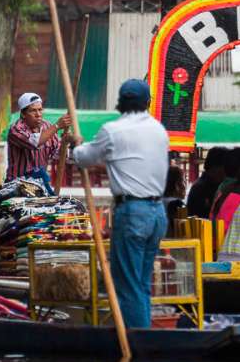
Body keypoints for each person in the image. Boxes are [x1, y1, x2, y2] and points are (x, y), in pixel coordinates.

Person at [72, 79, 168, 328]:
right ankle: (141, 331)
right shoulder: (159, 129)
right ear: (147, 103)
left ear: (120, 104)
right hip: (157, 213)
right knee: (141, 283)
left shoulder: (113, 130)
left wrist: (76, 144)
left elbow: (83, 158)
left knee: (128, 285)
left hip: (133, 212)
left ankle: (136, 340)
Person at [6, 92, 71, 190]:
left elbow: (58, 155)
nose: (38, 114)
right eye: (33, 111)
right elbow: (35, 143)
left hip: (40, 186)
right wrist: (57, 126)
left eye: (40, 110)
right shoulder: (16, 129)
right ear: (23, 114)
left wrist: (66, 143)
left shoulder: (48, 127)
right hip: (17, 186)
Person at [185, 147, 227, 218]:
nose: (225, 174)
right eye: (224, 168)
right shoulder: (200, 188)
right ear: (214, 167)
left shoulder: (216, 185)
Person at [163, 165, 187, 234]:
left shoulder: (157, 202)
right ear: (177, 185)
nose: (185, 185)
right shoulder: (177, 204)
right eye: (184, 180)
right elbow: (184, 232)